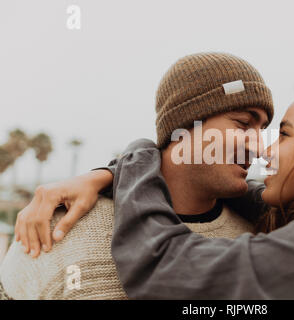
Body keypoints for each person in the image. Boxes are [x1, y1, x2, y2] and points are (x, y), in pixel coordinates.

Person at [12, 80, 294, 299]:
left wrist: (137, 159)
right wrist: (108, 175)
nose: (264, 150)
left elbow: (166, 266)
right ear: (184, 133)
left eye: (281, 133)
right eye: (244, 126)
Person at [0, 52, 274, 299]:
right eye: (243, 124)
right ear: (183, 128)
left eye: (262, 129)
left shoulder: (261, 236)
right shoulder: (56, 228)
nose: (259, 147)